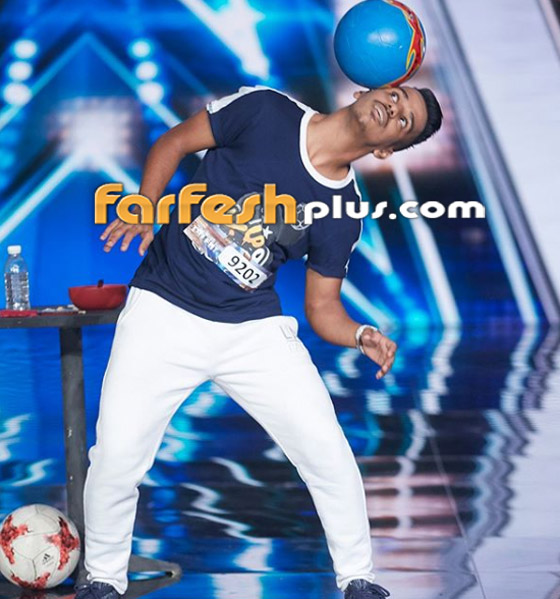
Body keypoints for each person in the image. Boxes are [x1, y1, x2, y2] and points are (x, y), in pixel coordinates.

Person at [75, 84, 442, 599]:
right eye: (399, 97)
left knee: (328, 452)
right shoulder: (266, 109)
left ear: (385, 150)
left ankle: (359, 580)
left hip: (251, 331)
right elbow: (173, 143)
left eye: (405, 122)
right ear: (370, 88)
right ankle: (103, 581)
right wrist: (144, 205)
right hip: (163, 308)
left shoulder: (344, 211)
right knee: (116, 457)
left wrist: (359, 334)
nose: (395, 108)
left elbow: (322, 308)